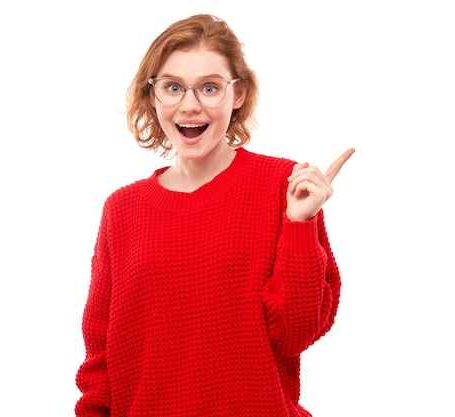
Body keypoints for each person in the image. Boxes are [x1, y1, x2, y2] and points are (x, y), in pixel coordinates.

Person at [75, 13, 355, 417]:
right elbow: (100, 356)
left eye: (209, 88)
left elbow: (297, 332)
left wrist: (299, 226)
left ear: (237, 94)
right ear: (153, 96)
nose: (190, 106)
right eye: (173, 88)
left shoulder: (285, 185)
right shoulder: (122, 209)